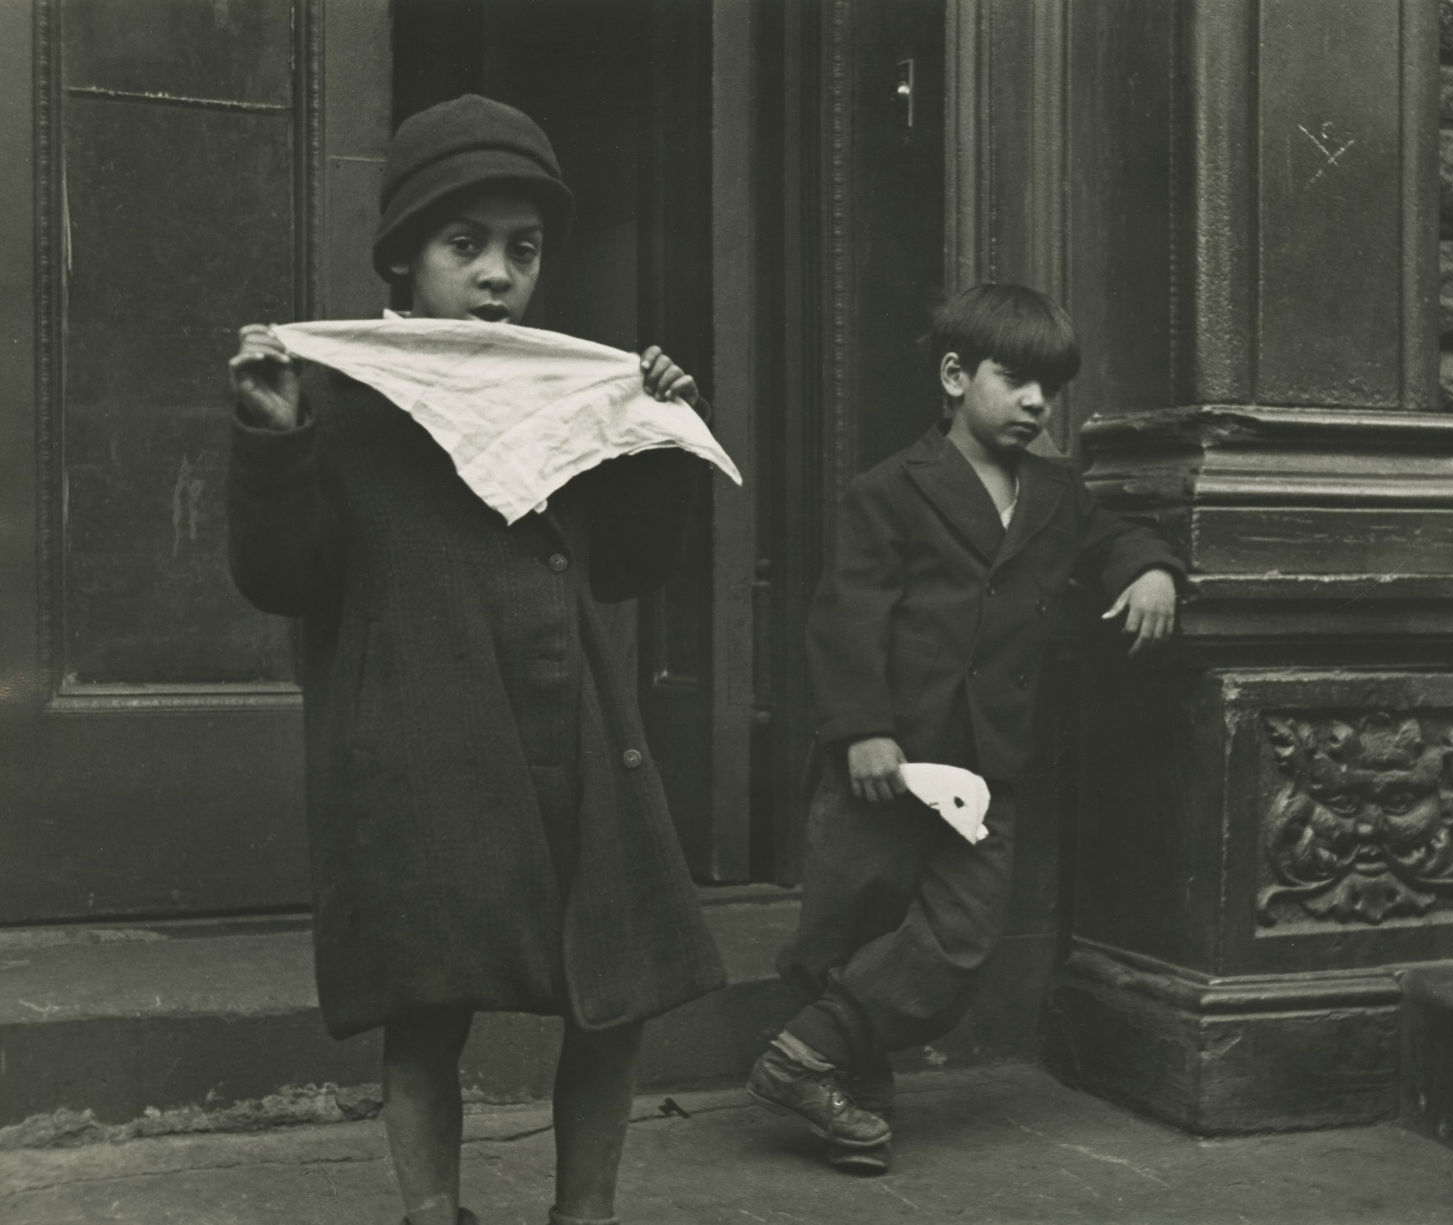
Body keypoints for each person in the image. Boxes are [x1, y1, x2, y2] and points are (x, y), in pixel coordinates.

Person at [226, 94, 725, 1225]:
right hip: (424, 747)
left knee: (615, 992)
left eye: (524, 249)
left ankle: (582, 1211)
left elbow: (626, 567)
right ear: (402, 259)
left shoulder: (565, 389)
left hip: (578, 734)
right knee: (428, 1003)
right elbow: (284, 579)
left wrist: (654, 441)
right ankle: (431, 1209)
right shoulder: (339, 397)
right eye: (466, 246)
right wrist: (273, 441)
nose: (498, 274)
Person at [748, 282, 1184, 1174]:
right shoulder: (889, 491)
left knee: (960, 936)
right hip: (886, 759)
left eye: (1050, 389)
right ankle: (846, 1097)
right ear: (955, 375)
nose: (1035, 403)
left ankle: (803, 1055)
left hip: (990, 763)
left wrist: (1151, 571)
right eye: (1015, 379)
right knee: (850, 923)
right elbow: (849, 614)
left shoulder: (1057, 493)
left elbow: (1112, 538)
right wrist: (862, 729)